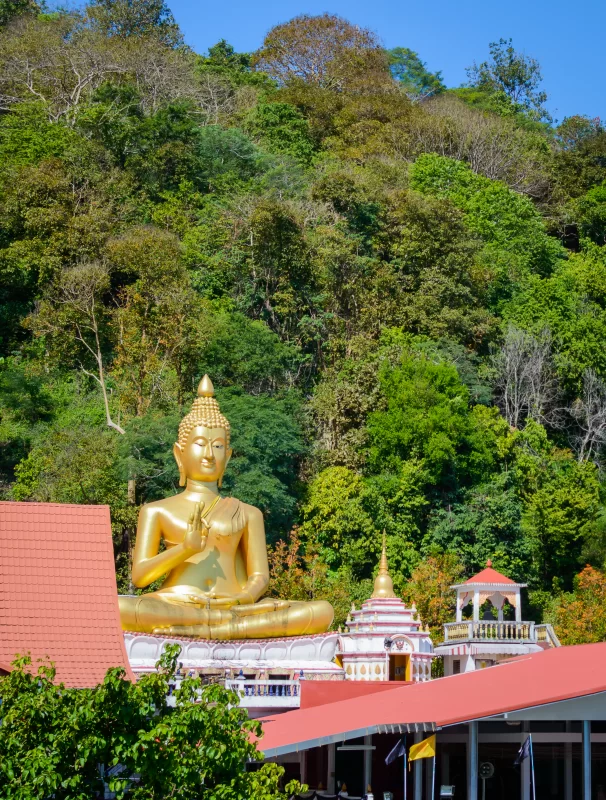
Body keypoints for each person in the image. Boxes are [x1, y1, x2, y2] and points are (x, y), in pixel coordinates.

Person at [119, 376, 334, 639]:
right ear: (179, 454)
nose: (209, 454)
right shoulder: (156, 511)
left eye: (218, 446)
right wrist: (185, 549)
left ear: (228, 456)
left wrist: (242, 600)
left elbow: (260, 577)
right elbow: (140, 577)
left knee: (321, 611)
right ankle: (215, 624)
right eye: (199, 444)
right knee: (120, 607)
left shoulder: (247, 513)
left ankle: (218, 626)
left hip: (235, 607)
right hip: (177, 604)